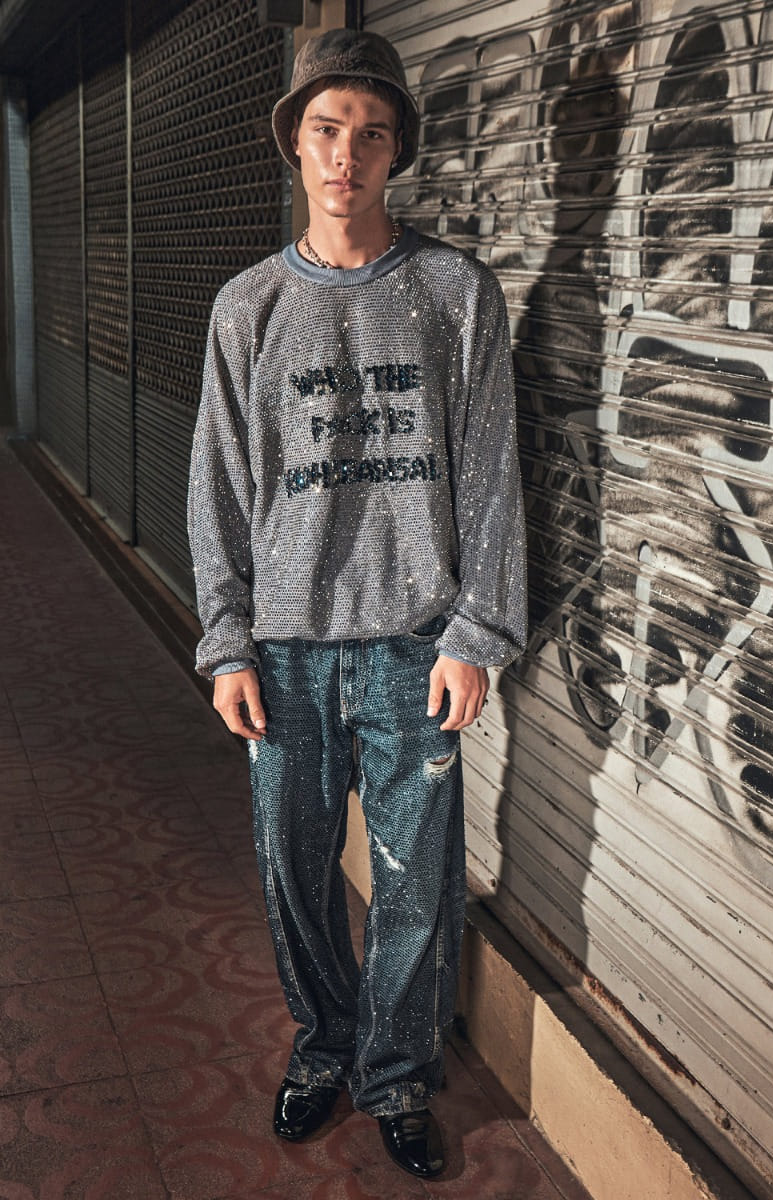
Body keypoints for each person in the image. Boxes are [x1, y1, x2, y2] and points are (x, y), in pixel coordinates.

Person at [187, 27, 526, 1180]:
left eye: (371, 134)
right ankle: (323, 1045)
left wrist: (475, 632)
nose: (347, 155)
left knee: (413, 883)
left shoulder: (453, 293)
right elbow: (217, 485)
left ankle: (395, 1075)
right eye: (326, 129)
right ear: (294, 142)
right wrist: (226, 641)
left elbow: (489, 472)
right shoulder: (247, 307)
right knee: (294, 873)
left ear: (396, 152)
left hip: (411, 644)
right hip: (283, 649)